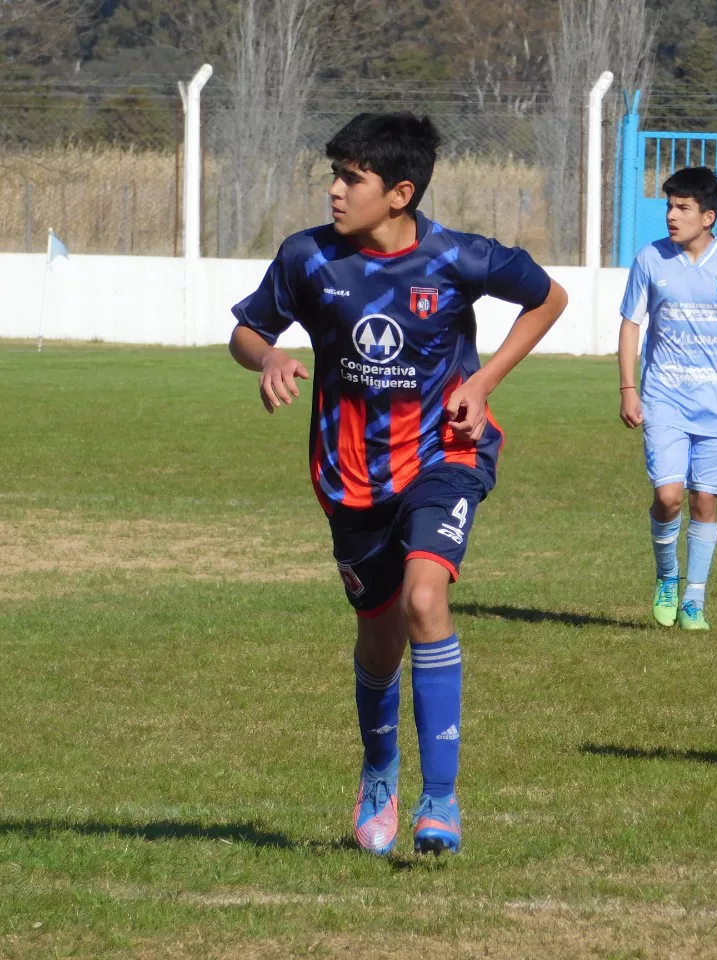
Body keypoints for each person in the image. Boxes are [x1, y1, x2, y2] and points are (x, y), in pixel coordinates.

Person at [229, 112, 567, 855]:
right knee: (379, 641)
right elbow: (246, 331)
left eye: (352, 178)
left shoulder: (457, 257)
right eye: (334, 174)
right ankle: (379, 768)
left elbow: (548, 297)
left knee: (424, 597)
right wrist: (270, 358)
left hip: (445, 456)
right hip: (349, 478)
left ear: (400, 193)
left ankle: (440, 798)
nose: (335, 190)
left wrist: (483, 381)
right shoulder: (307, 258)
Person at [617, 166, 717, 631]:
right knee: (668, 497)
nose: (671, 215)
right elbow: (631, 324)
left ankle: (694, 600)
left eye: (682, 207)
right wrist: (628, 387)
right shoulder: (650, 259)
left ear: (708, 216)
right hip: (664, 397)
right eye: (669, 205)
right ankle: (667, 576)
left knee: (705, 500)